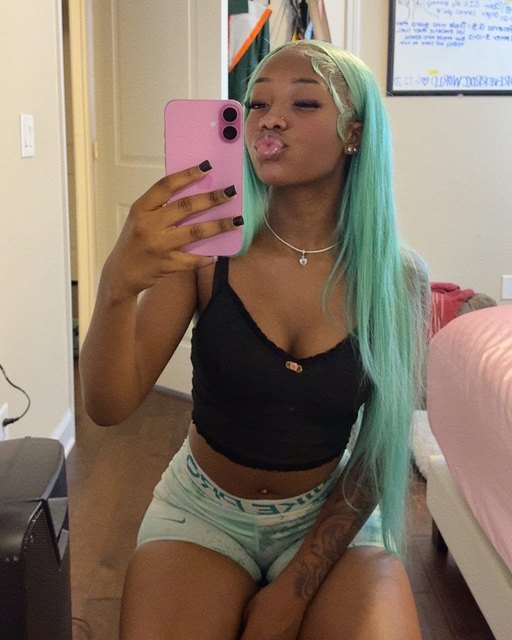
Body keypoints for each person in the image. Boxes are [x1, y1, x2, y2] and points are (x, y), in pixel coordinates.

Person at [80, 39, 428, 640]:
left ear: (354, 134)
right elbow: (108, 407)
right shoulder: (205, 255)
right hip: (202, 515)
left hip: (330, 518)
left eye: (304, 104)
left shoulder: (397, 280)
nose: (270, 119)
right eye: (258, 104)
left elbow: (377, 453)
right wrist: (116, 287)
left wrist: (291, 596)